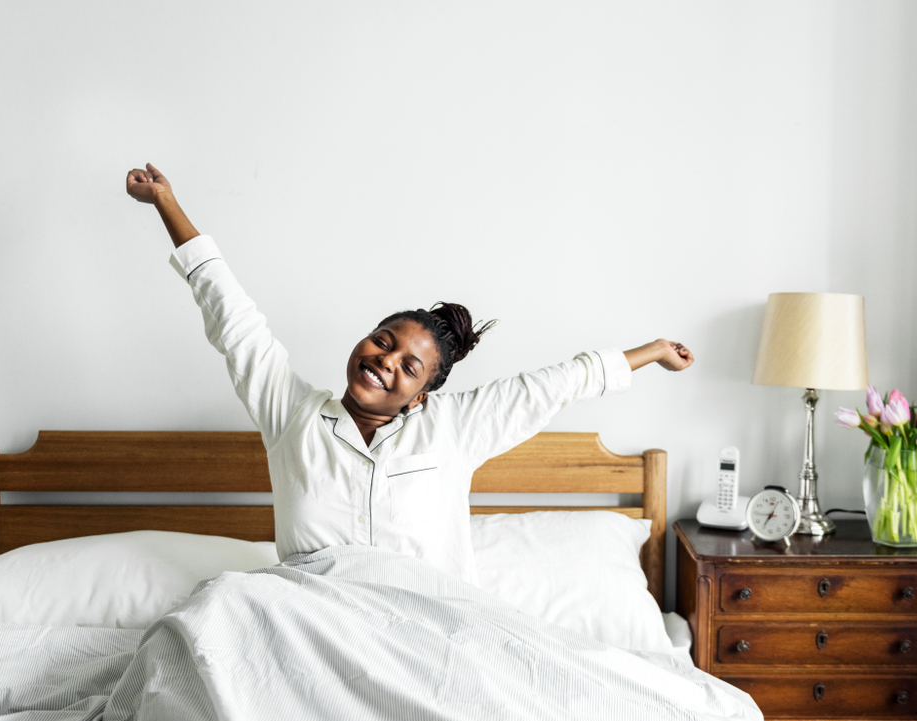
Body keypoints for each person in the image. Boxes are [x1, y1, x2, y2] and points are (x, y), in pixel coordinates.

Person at [126, 163, 694, 584]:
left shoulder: (454, 428)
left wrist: (652, 351)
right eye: (382, 341)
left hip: (424, 629)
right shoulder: (292, 415)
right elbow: (234, 319)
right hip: (306, 624)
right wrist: (166, 203)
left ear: (422, 394)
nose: (383, 360)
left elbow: (554, 384)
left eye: (408, 366)